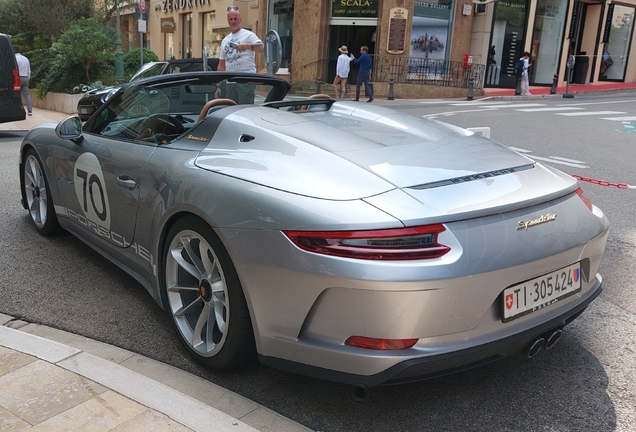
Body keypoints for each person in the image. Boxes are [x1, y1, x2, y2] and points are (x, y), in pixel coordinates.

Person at [217, 6, 263, 104]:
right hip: (230, 82)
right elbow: (221, 64)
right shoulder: (225, 40)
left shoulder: (248, 35)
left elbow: (262, 47)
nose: (233, 21)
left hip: (246, 81)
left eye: (235, 19)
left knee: (245, 111)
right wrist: (218, 86)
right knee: (231, 111)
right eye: (231, 19)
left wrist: (248, 46)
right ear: (228, 21)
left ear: (240, 20)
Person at [13, 45, 32, 115]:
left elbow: (14, 69)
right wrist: (28, 79)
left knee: (16, 94)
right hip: (25, 78)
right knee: (27, 95)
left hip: (18, 78)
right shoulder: (25, 58)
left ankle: (17, 109)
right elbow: (29, 70)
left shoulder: (14, 58)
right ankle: (30, 110)